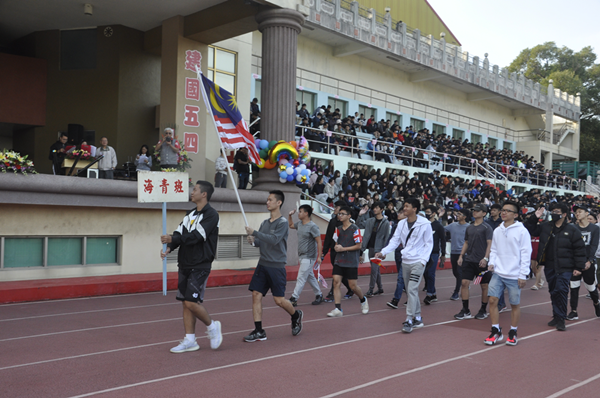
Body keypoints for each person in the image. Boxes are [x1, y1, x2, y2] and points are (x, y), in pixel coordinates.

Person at [160, 181, 223, 353]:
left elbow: (197, 236)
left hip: (200, 264)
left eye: (195, 189)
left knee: (191, 301)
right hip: (185, 263)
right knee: (185, 303)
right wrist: (169, 247)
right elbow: (180, 233)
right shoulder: (190, 214)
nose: (192, 192)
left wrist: (173, 239)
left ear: (204, 194)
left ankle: (212, 326)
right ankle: (190, 340)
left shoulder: (211, 215)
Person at [244, 190, 303, 341]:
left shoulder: (282, 223)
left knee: (279, 300)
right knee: (256, 295)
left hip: (276, 267)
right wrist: (253, 241)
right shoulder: (265, 223)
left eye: (270, 200)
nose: (267, 202)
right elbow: (262, 241)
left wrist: (255, 233)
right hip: (262, 264)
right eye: (267, 200)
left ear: (279, 203)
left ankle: (296, 315)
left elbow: (274, 240)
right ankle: (259, 331)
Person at [525, 203, 586, 331]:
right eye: (552, 210)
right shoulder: (545, 226)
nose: (554, 213)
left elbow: (580, 249)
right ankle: (556, 315)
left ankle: (561, 318)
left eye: (557, 211)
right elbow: (529, 229)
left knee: (561, 290)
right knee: (553, 291)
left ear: (564, 214)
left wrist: (578, 267)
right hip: (550, 265)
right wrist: (534, 217)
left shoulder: (572, 229)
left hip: (566, 266)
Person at [376, 198, 433, 333]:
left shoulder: (424, 223)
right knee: (410, 290)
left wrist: (423, 261)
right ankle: (418, 317)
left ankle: (409, 319)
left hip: (418, 262)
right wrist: (383, 252)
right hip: (405, 261)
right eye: (404, 206)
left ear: (415, 209)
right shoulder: (401, 224)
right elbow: (395, 241)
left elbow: (429, 243)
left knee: (412, 289)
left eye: (407, 206)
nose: (404, 209)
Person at [483, 201, 532, 345]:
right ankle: (495, 331)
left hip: (514, 275)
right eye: (502, 210)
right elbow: (494, 249)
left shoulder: (522, 231)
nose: (503, 213)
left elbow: (526, 253)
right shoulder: (498, 230)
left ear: (515, 215)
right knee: (492, 300)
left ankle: (513, 332)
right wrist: (492, 262)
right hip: (498, 273)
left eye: (508, 211)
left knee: (514, 304)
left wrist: (523, 274)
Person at [326, 206, 369, 317]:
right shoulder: (338, 229)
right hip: (339, 260)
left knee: (353, 286)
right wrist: (336, 248)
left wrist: (343, 249)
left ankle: (363, 299)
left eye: (342, 213)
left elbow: (358, 246)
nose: (339, 215)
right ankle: (338, 308)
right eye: (339, 213)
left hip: (351, 261)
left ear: (349, 216)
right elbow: (336, 243)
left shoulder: (355, 229)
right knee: (336, 282)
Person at [455, 204, 493, 320]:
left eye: (477, 211)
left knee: (484, 285)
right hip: (469, 260)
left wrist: (485, 258)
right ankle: (465, 310)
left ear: (484, 213)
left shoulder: (487, 228)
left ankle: (483, 310)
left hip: (481, 261)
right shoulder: (469, 227)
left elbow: (489, 244)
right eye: (473, 210)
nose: (474, 212)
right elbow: (466, 242)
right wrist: (461, 256)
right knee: (465, 283)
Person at [566, 205, 600, 320]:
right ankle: (573, 311)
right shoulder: (573, 228)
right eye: (576, 212)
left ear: (587, 213)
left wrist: (589, 260)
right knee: (574, 286)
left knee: (590, 287)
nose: (577, 214)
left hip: (588, 262)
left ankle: (596, 303)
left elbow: (594, 245)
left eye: (580, 211)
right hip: (575, 263)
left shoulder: (595, 228)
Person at [288, 205, 324, 306]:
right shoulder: (299, 224)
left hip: (309, 256)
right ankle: (319, 295)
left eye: (300, 211)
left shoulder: (313, 226)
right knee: (310, 277)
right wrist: (290, 215)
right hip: (302, 256)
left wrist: (319, 256)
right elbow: (290, 225)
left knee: (301, 277)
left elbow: (319, 241)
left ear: (306, 213)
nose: (298, 213)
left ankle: (294, 298)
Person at [357, 202, 390, 297]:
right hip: (370, 248)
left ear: (382, 209)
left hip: (378, 250)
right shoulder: (370, 220)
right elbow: (358, 225)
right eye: (374, 208)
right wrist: (360, 215)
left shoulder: (386, 223)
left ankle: (371, 290)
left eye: (377, 208)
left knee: (374, 270)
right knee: (376, 270)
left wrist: (384, 252)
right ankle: (380, 288)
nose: (374, 209)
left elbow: (386, 238)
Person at [322, 201, 354, 301]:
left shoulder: (348, 224)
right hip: (333, 250)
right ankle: (350, 288)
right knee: (339, 272)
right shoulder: (332, 221)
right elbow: (328, 237)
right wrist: (324, 251)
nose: (335, 209)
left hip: (343, 251)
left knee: (336, 272)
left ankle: (332, 293)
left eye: (337, 208)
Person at [443, 208, 470, 300]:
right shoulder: (453, 225)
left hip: (463, 254)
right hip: (453, 252)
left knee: (459, 272)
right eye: (457, 214)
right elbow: (441, 229)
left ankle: (456, 292)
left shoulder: (469, 227)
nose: (457, 215)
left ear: (465, 217)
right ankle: (464, 283)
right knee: (455, 272)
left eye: (460, 214)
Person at [423, 205, 446, 305]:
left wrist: (443, 254)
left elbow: (443, 240)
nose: (426, 214)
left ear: (433, 214)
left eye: (428, 212)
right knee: (425, 273)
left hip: (434, 253)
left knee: (431, 273)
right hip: (424, 253)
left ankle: (429, 295)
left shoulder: (438, 226)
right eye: (425, 212)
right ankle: (433, 293)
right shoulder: (423, 224)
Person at [386, 211, 407, 309]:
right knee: (402, 277)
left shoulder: (410, 226)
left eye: (401, 213)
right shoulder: (395, 226)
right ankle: (410, 297)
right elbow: (391, 239)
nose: (399, 214)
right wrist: (384, 250)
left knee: (401, 278)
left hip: (406, 255)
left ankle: (395, 300)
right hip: (398, 253)